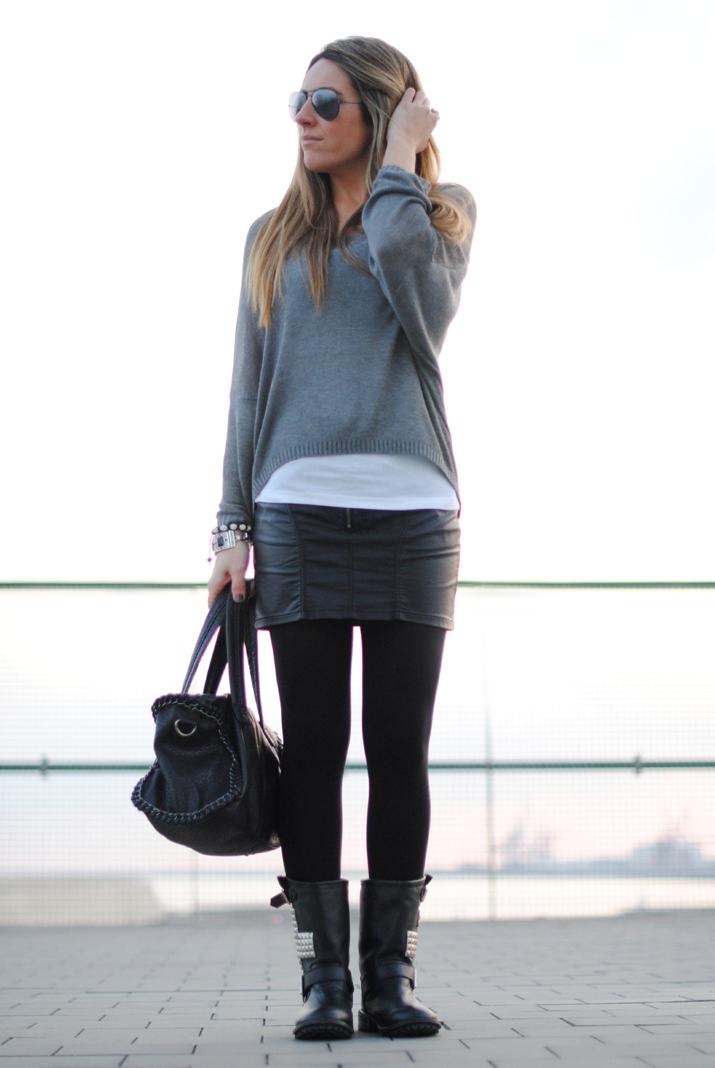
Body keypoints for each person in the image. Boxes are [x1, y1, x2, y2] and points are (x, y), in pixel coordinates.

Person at [207, 35, 476, 1042]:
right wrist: (231, 526)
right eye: (299, 99)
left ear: (382, 110)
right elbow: (247, 392)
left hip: (414, 515)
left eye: (326, 102)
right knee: (314, 751)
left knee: (399, 749)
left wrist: (399, 165)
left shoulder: (438, 216)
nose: (303, 116)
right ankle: (325, 982)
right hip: (297, 512)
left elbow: (422, 305)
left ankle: (390, 978)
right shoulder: (270, 237)